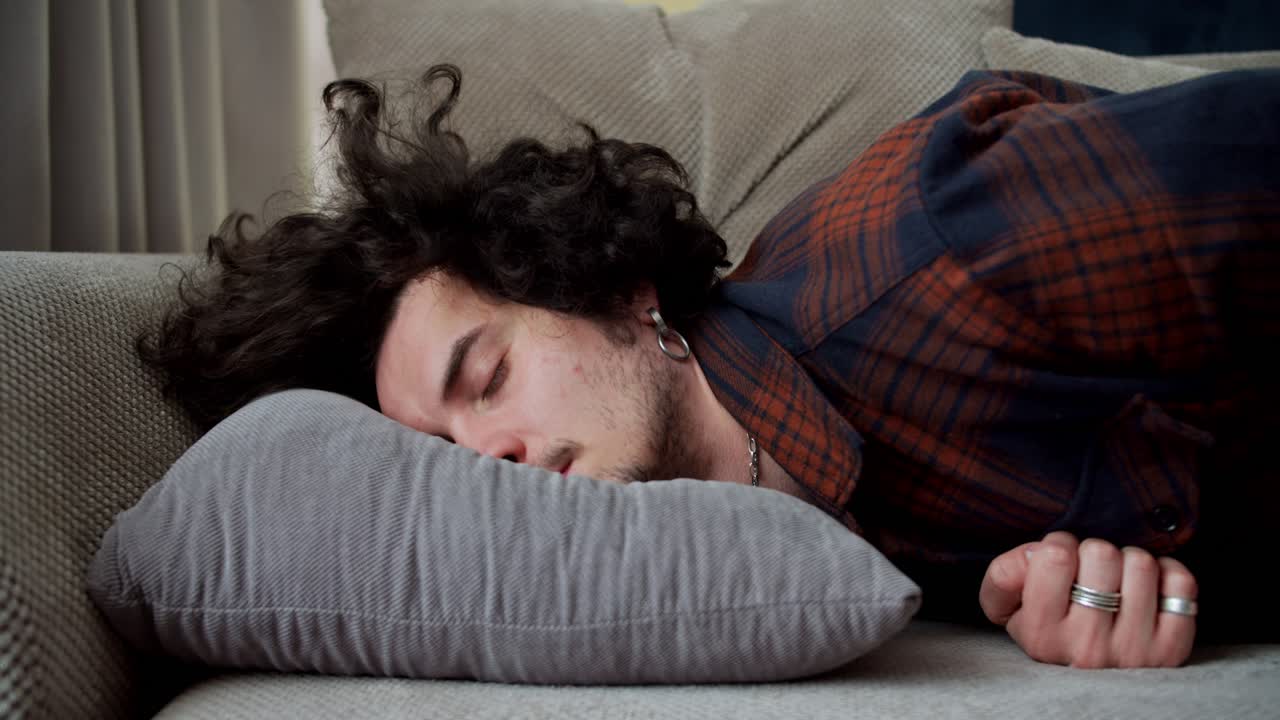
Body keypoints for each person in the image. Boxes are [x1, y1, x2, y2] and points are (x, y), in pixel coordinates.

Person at [138, 64, 1280, 669]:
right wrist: (1104, 598)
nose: (491, 457)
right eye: (443, 455)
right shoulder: (785, 547)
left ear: (620, 293)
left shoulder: (948, 245)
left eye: (484, 377)